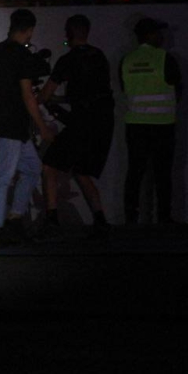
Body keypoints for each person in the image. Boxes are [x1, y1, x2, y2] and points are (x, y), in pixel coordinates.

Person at [0, 8, 55, 247]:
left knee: (31, 167)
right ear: (29, 31)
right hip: (12, 127)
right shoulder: (22, 55)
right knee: (4, 177)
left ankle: (14, 219)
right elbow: (28, 95)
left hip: (5, 125)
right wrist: (41, 126)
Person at [37, 14, 115, 238]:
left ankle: (52, 220)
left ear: (69, 34)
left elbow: (45, 94)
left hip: (82, 123)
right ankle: (100, 219)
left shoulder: (67, 60)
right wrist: (60, 102)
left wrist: (36, 100)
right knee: (81, 170)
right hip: (103, 123)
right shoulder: (99, 56)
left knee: (49, 166)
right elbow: (89, 93)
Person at [120, 17, 182, 226]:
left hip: (135, 125)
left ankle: (131, 218)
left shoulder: (126, 60)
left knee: (134, 173)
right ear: (148, 35)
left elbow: (124, 89)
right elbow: (178, 90)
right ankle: (163, 217)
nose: (162, 37)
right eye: (157, 33)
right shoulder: (164, 58)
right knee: (162, 174)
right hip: (163, 125)